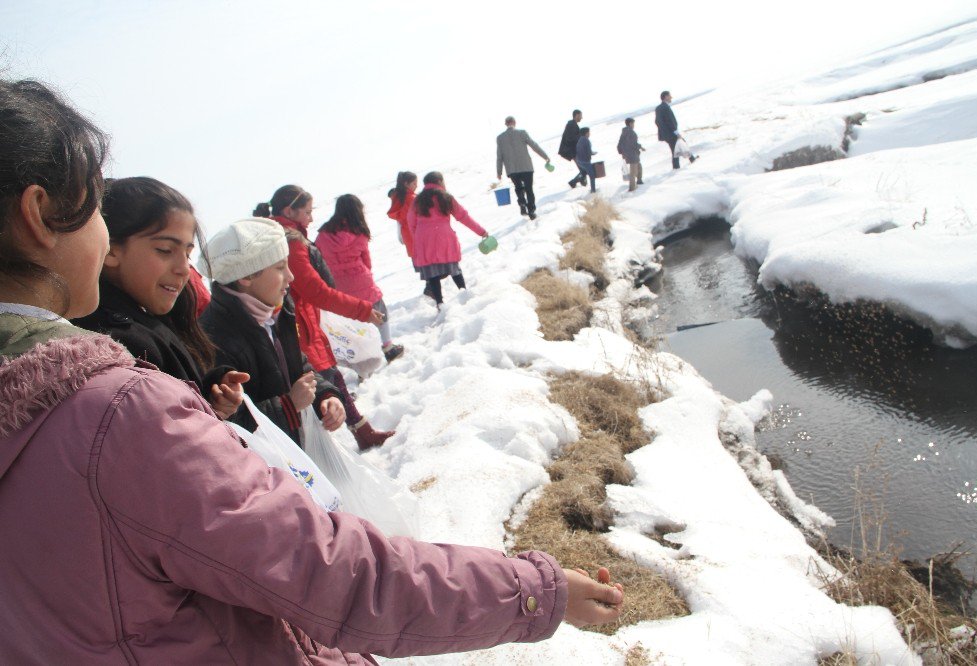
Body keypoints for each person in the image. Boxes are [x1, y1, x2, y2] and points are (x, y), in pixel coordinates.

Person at [0, 78, 624, 665]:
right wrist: (532, 590)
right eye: (94, 209)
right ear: (38, 215)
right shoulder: (116, 415)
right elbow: (329, 572)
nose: (105, 237)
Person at [73, 176, 247, 420]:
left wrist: (213, 390)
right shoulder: (119, 345)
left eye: (187, 254)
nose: (184, 269)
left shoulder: (148, 318)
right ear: (111, 250)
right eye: (165, 250)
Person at [259, 186, 395, 450]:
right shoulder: (289, 241)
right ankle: (330, 451)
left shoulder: (274, 235)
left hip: (297, 321)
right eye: (307, 212)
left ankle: (361, 431)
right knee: (320, 383)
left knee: (331, 378)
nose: (311, 218)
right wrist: (363, 310)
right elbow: (315, 290)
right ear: (290, 211)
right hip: (296, 325)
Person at [198, 217, 347, 445]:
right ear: (246, 276)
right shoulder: (213, 337)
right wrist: (288, 406)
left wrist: (325, 395)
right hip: (268, 466)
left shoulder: (275, 310)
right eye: (279, 267)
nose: (290, 276)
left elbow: (297, 366)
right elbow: (227, 422)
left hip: (297, 448)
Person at [316, 194, 404, 363]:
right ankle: (388, 347)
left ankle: (360, 359)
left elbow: (319, 260)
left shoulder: (323, 234)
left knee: (351, 323)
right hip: (361, 281)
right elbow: (367, 261)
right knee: (380, 313)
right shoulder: (359, 231)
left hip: (338, 285)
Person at [407, 171, 489, 308]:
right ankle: (465, 295)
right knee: (453, 267)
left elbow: (411, 222)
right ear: (439, 181)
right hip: (443, 236)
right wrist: (482, 232)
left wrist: (420, 236)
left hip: (423, 238)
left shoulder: (418, 200)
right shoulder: (445, 197)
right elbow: (463, 217)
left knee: (432, 274)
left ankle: (440, 304)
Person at [496, 116, 551, 220]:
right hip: (526, 167)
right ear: (514, 122)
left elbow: (499, 156)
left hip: (512, 169)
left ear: (506, 124)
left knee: (518, 187)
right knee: (529, 189)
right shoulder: (522, 133)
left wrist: (499, 172)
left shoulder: (500, 138)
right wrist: (545, 156)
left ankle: (522, 202)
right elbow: (534, 145)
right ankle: (531, 211)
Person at [386, 170, 418, 259]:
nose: (416, 186)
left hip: (408, 237)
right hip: (419, 237)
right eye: (414, 183)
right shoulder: (411, 199)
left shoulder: (398, 199)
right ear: (406, 184)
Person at [559, 109, 589, 189]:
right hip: (572, 151)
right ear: (576, 115)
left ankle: (579, 184)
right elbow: (570, 138)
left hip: (574, 151)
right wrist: (581, 137)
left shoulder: (573, 124)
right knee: (584, 170)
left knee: (583, 169)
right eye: (580, 116)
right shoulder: (571, 124)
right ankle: (574, 183)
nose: (581, 118)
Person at [617, 118, 645, 192]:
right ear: (630, 124)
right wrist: (640, 147)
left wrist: (622, 152)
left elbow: (619, 144)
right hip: (632, 154)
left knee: (639, 166)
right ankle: (632, 187)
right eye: (633, 123)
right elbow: (633, 144)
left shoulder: (624, 132)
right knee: (633, 171)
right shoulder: (630, 132)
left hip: (628, 154)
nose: (634, 125)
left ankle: (639, 180)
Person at [656, 90, 682, 170]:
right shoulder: (665, 107)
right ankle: (676, 167)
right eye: (670, 96)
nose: (671, 97)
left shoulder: (658, 108)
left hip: (665, 134)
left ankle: (691, 158)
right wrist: (676, 132)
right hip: (671, 133)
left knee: (679, 145)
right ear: (666, 97)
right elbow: (670, 121)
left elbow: (657, 121)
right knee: (675, 149)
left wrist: (662, 131)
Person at [575, 127, 598, 194]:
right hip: (585, 161)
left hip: (579, 161)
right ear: (586, 133)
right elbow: (589, 152)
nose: (589, 134)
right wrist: (592, 153)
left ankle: (575, 181)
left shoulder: (579, 140)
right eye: (589, 132)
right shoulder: (586, 140)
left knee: (584, 173)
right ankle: (593, 191)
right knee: (592, 175)